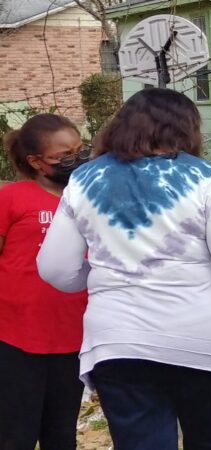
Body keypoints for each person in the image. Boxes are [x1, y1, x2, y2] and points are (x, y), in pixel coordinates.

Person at [37, 89, 211, 450]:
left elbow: (54, 269)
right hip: (202, 342)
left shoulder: (84, 179)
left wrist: (99, 279)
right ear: (187, 130)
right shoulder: (201, 175)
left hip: (119, 343)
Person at [0, 114, 89, 450]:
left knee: (61, 434)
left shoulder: (88, 199)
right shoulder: (13, 198)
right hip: (16, 339)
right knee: (15, 435)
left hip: (72, 337)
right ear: (35, 162)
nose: (76, 160)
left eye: (80, 150)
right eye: (64, 156)